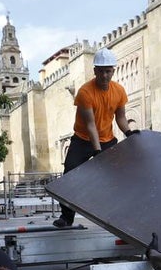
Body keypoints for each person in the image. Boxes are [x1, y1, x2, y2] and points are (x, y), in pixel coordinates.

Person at [52, 47, 139, 228]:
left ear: (113, 71)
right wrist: (97, 150)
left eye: (108, 71)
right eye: (101, 71)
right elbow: (91, 125)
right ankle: (67, 217)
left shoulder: (119, 91)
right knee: (70, 175)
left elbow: (120, 117)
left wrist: (129, 133)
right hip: (83, 140)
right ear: (95, 71)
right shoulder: (85, 92)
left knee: (118, 178)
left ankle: (120, 219)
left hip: (107, 140)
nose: (105, 75)